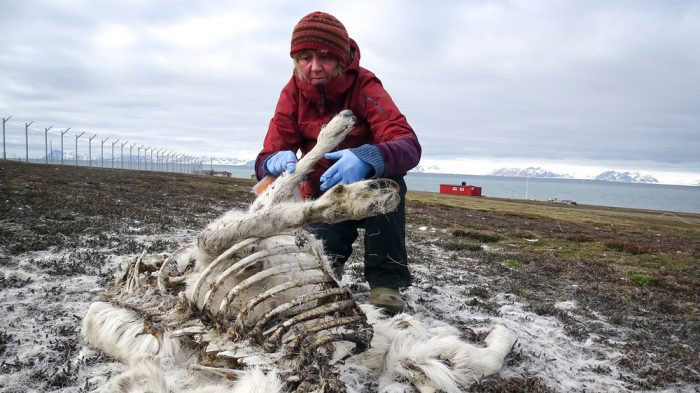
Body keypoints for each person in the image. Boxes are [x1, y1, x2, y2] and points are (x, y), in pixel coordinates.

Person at [254, 11, 421, 314]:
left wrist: (367, 158)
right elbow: (267, 154)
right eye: (305, 57)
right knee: (320, 269)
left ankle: (386, 285)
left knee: (391, 186)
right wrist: (270, 163)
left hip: (369, 186)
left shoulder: (365, 86)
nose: (314, 67)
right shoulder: (292, 93)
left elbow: (408, 145)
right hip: (322, 193)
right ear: (295, 60)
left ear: (341, 58)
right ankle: (328, 276)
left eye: (325, 57)